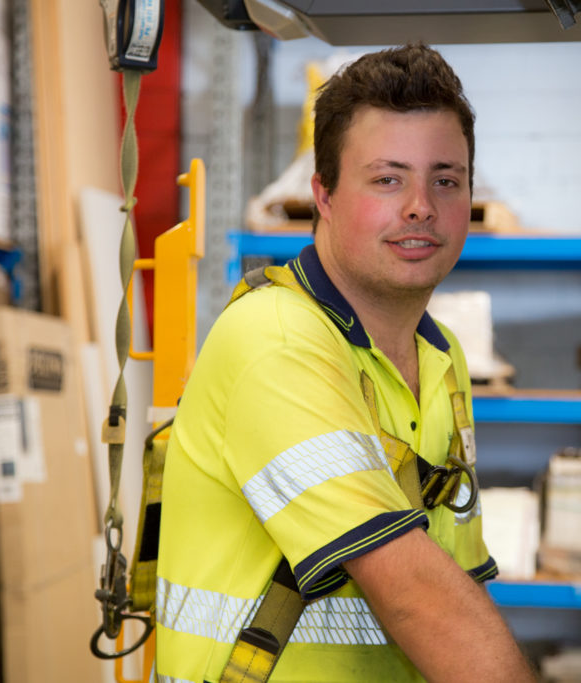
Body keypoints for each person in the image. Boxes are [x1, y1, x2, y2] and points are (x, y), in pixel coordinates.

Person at [155, 43, 534, 683]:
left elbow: (456, 585)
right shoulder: (275, 341)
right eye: (387, 179)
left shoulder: (441, 357)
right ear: (322, 195)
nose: (421, 205)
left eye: (446, 179)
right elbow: (419, 598)